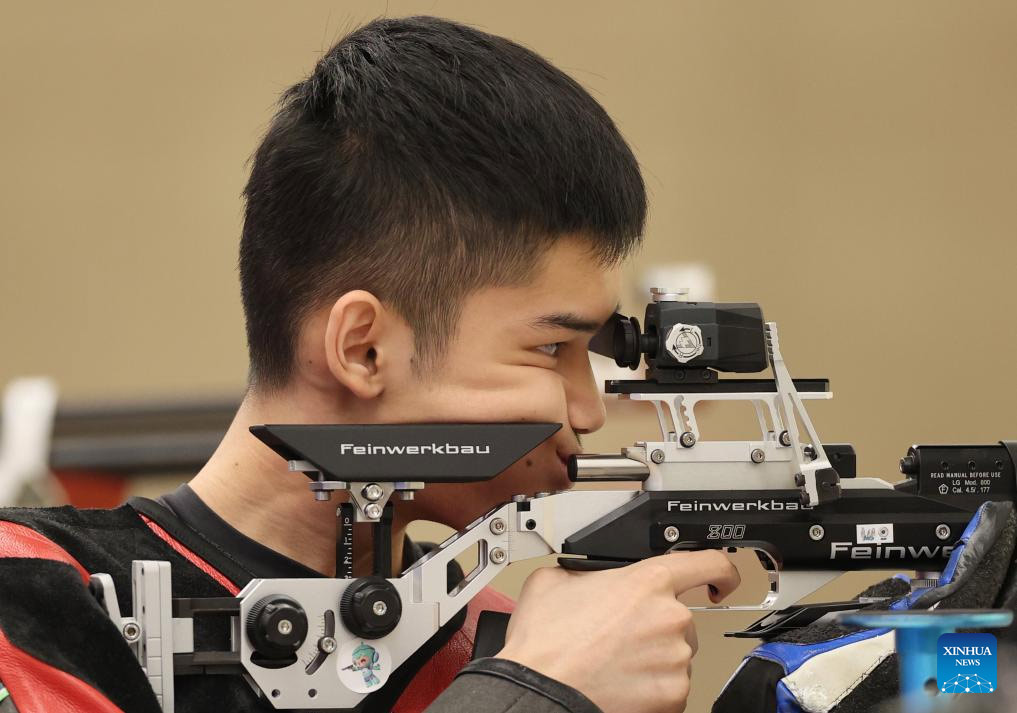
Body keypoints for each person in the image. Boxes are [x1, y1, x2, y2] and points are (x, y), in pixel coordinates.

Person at [0, 16, 738, 713]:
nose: (588, 409)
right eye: (550, 348)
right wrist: (537, 691)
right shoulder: (29, 595)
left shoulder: (508, 638)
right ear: (363, 348)